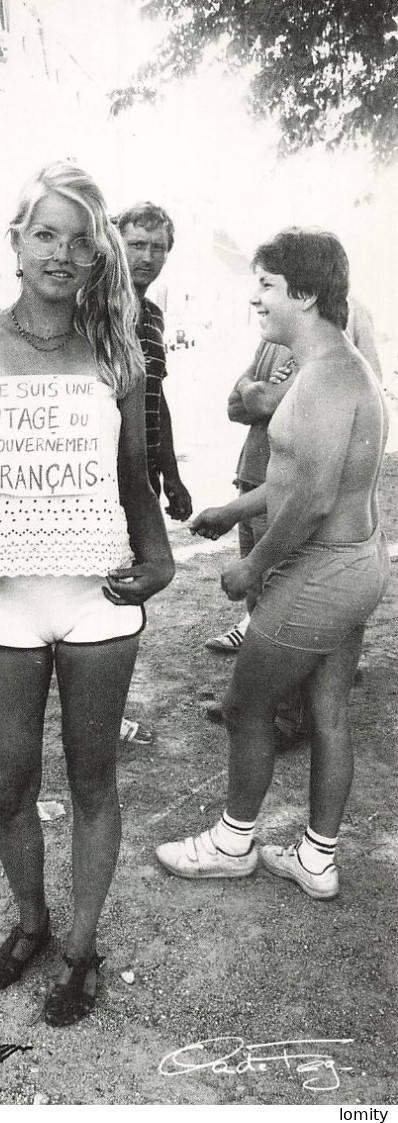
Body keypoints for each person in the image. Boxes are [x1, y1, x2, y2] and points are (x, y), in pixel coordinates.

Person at [0, 162, 174, 1026]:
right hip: (5, 597)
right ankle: (31, 921)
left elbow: (133, 479)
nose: (63, 253)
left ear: (99, 258)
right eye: (46, 235)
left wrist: (161, 557)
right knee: (9, 782)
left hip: (97, 596)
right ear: (17, 243)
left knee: (93, 778)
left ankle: (83, 947)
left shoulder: (117, 352)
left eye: (79, 240)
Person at [156, 228, 389, 902]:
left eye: (266, 284)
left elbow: (313, 498)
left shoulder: (323, 377)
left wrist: (252, 567)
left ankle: (233, 842)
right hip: (356, 564)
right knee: (329, 712)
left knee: (246, 705)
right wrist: (233, 512)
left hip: (324, 570)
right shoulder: (346, 367)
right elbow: (309, 476)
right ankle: (316, 857)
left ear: (306, 293)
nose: (254, 296)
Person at [206, 298, 382, 654]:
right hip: (258, 474)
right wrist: (250, 391)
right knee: (263, 595)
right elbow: (234, 406)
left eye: (269, 282)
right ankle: (256, 632)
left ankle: (268, 648)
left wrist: (252, 390)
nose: (257, 296)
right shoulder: (275, 332)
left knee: (280, 591)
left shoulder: (332, 344)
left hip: (299, 497)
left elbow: (264, 403)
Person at [115, 202, 192, 522]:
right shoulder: (96, 310)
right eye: (136, 245)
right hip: (107, 475)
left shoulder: (154, 316)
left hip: (146, 477)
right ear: (117, 247)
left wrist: (171, 473)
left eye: (158, 247)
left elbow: (155, 396)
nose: (147, 257)